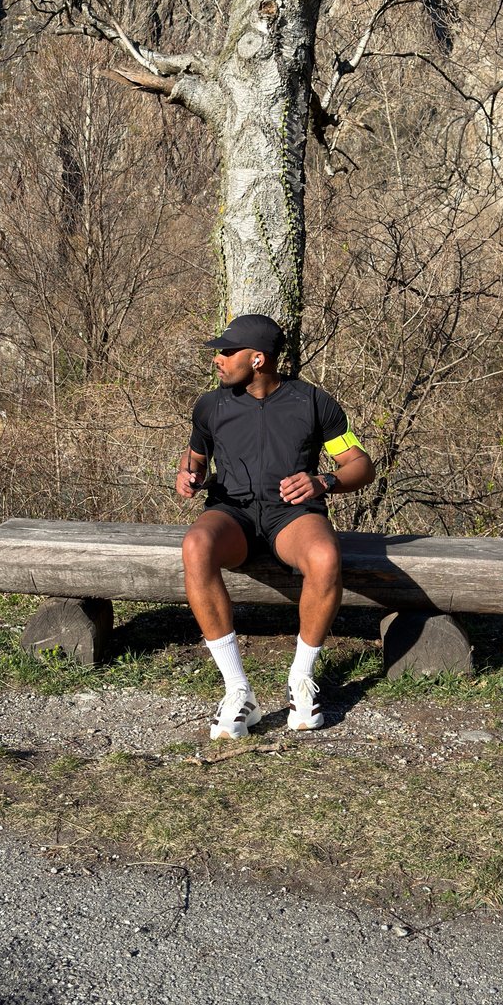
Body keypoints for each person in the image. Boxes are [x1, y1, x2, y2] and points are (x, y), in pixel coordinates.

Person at [175, 314, 375, 740]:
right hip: (233, 514)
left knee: (325, 556)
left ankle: (300, 680)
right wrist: (188, 475)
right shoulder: (211, 405)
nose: (219, 359)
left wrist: (324, 481)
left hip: (291, 517)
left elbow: (361, 465)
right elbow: (194, 458)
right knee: (195, 545)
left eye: (228, 352)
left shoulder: (313, 403)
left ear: (259, 359)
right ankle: (237, 690)